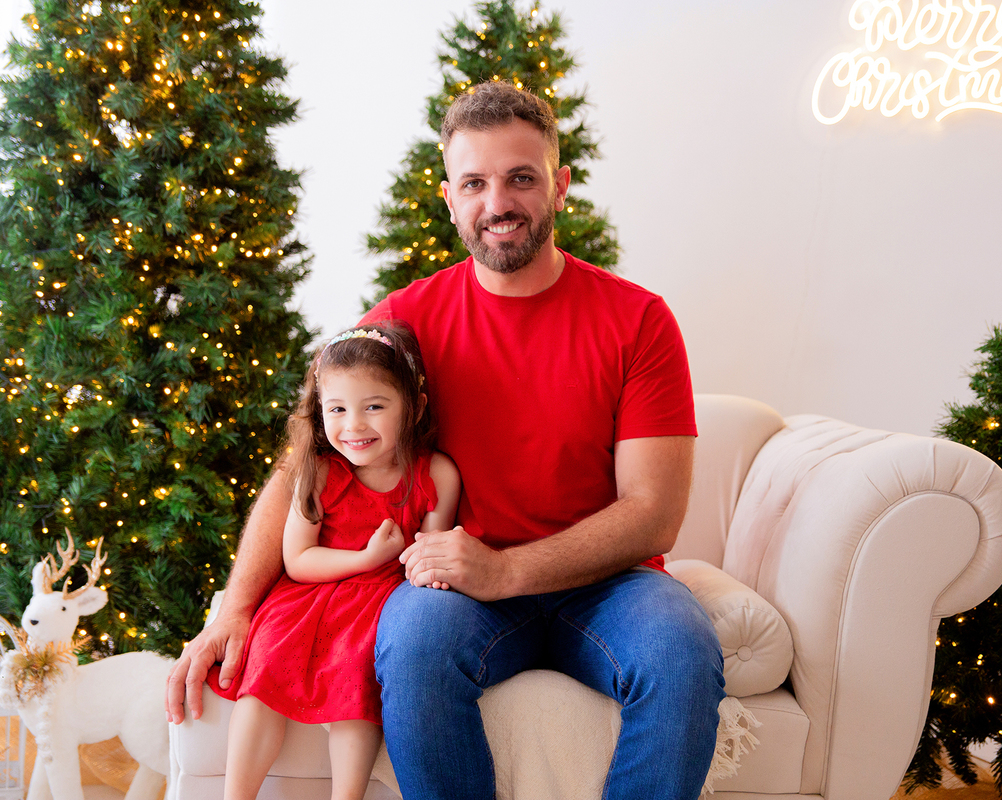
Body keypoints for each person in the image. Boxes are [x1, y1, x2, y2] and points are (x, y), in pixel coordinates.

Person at [167, 81, 724, 800]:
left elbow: (653, 511)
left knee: (681, 650)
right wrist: (236, 607)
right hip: (458, 588)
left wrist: (507, 570)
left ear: (560, 187)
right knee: (415, 645)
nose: (499, 202)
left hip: (611, 586)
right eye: (476, 183)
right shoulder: (407, 321)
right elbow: (304, 461)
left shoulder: (638, 320)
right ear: (450, 199)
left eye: (521, 178)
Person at [211, 324, 460, 800]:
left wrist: (422, 565)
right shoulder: (322, 471)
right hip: (309, 594)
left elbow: (430, 553)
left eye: (374, 407)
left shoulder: (437, 474)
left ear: (415, 407)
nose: (354, 426)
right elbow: (299, 560)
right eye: (337, 409)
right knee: (264, 673)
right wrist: (366, 556)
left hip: (381, 602)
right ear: (318, 412)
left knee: (356, 685)